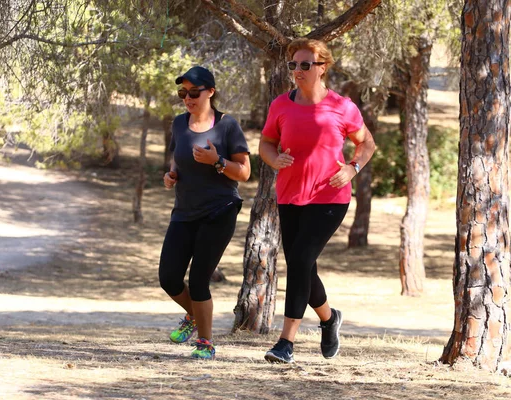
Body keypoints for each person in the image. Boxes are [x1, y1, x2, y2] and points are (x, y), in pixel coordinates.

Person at [260, 39, 376, 363]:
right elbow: (266, 143)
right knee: (303, 266)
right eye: (293, 65)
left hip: (330, 196)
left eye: (305, 65)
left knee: (298, 261)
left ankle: (286, 343)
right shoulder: (280, 105)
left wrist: (353, 168)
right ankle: (329, 319)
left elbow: (367, 144)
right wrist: (274, 160)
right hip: (290, 195)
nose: (297, 71)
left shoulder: (342, 106)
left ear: (323, 67)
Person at [159, 66, 251, 360]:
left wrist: (217, 160)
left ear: (210, 92)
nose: (187, 98)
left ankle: (206, 343)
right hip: (184, 211)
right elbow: (178, 157)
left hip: (219, 211)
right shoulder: (178, 123)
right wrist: (171, 175)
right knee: (169, 278)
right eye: (182, 93)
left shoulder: (227, 126)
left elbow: (245, 173)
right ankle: (195, 315)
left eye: (194, 93)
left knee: (199, 280)